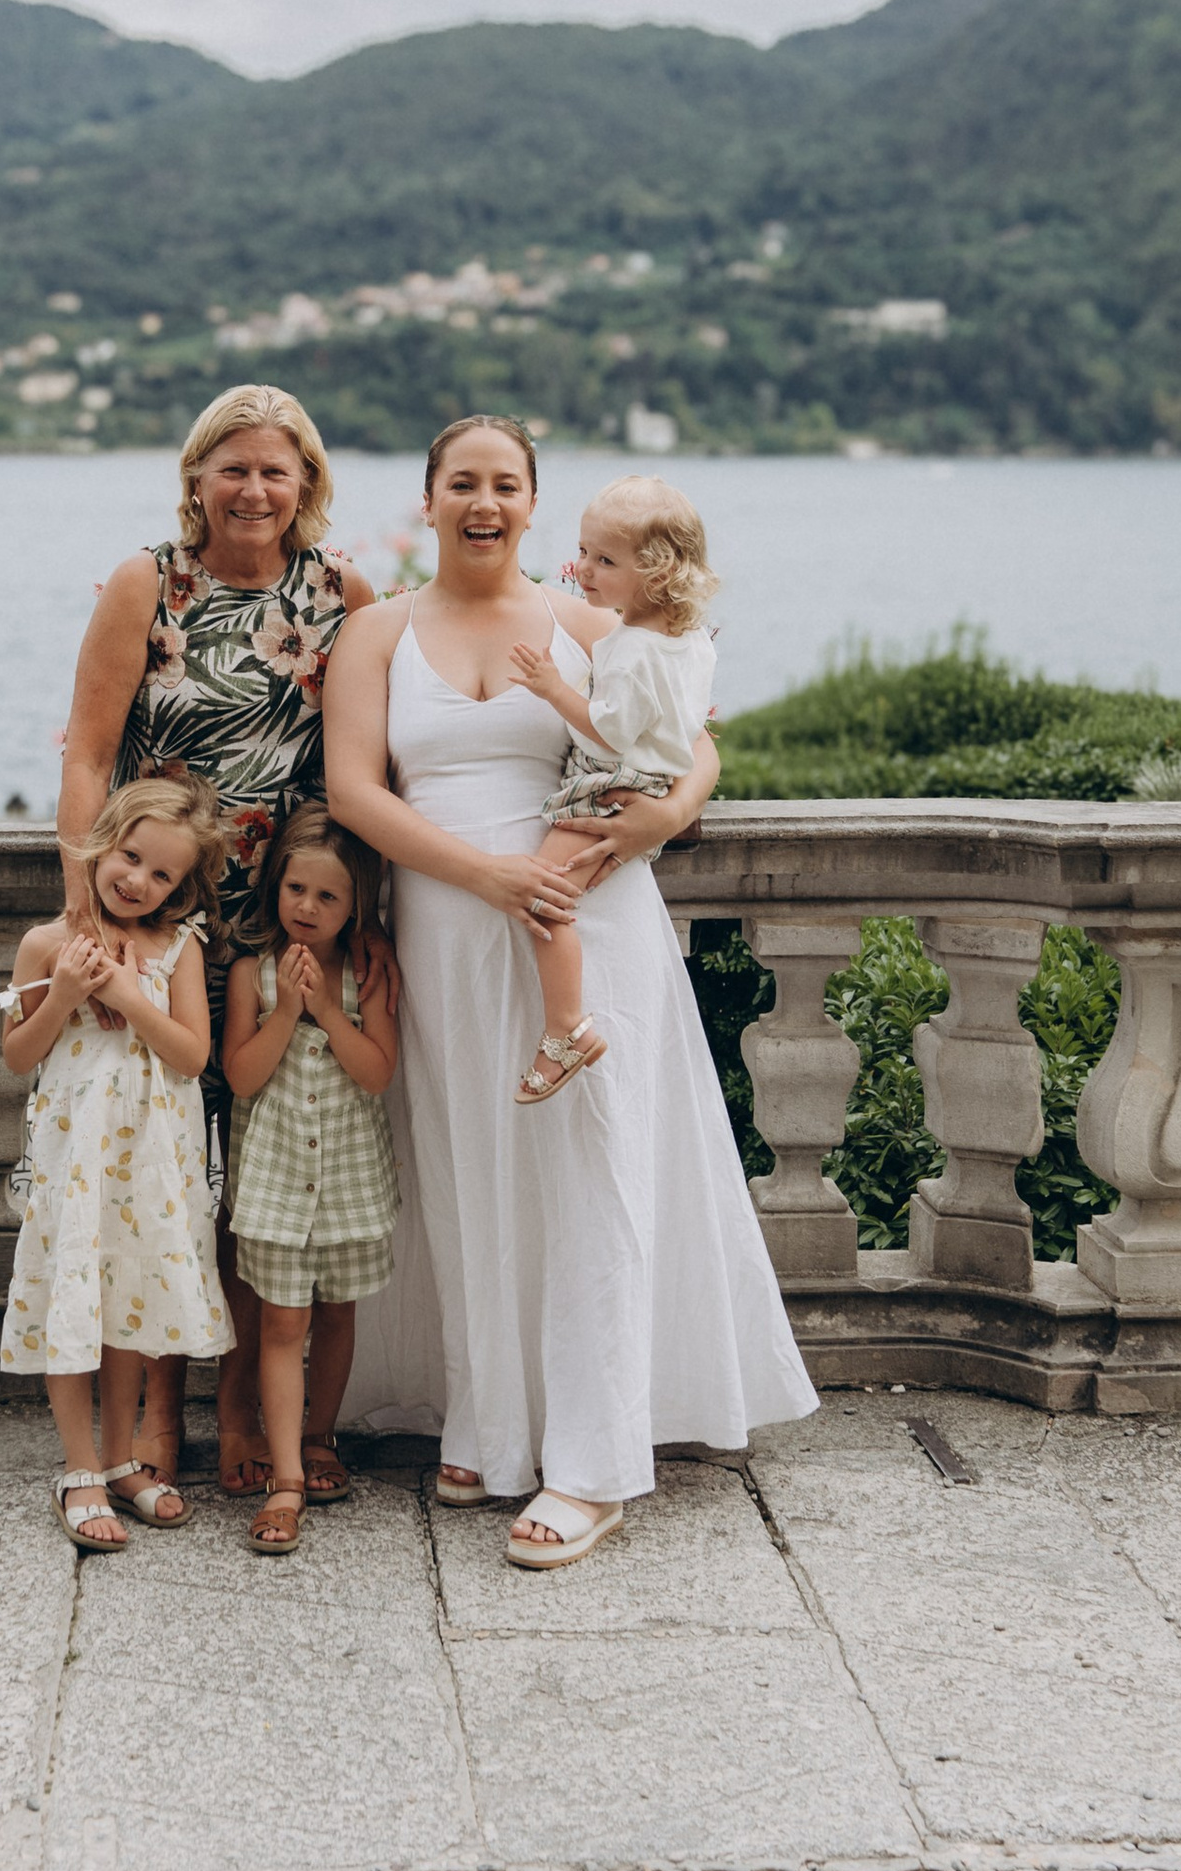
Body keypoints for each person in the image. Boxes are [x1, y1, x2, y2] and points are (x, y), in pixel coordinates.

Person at [326, 415, 816, 1571]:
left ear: (532, 505)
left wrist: (662, 814)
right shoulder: (376, 633)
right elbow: (354, 792)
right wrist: (485, 873)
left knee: (590, 1174)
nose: (482, 502)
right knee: (469, 1173)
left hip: (586, 927)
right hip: (448, 928)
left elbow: (688, 737)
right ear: (431, 498)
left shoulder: (587, 620)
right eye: (462, 483)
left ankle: (591, 1465)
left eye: (505, 484)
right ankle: (489, 1424)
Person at [56, 384, 383, 1492]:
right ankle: (157, 1405)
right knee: (160, 1168)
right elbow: (86, 755)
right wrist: (87, 912)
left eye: (275, 470)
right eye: (232, 467)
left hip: (289, 919)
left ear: (307, 485)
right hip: (164, 912)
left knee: (257, 1176)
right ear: (196, 478)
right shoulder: (147, 582)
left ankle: (249, 1401)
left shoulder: (344, 592)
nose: (253, 488)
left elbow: (383, 755)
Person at [0, 779, 231, 1550]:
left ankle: (124, 1453)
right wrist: (63, 994)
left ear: (183, 886)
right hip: (78, 1164)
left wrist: (131, 997)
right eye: (131, 858)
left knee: (129, 1303)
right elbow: (17, 1056)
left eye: (162, 875)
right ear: (104, 843)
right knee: (73, 1297)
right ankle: (80, 1468)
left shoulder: (179, 949)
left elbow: (194, 1056)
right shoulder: (45, 944)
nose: (138, 881)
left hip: (150, 1163)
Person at [219, 802, 401, 1557]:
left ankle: (321, 1437)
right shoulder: (250, 975)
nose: (308, 908)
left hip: (351, 1179)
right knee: (279, 1324)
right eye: (297, 890)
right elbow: (241, 1076)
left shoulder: (368, 974)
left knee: (336, 1316)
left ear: (356, 902)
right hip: (275, 1181)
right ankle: (286, 1478)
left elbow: (377, 1074)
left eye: (328, 897)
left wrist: (328, 1007)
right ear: (277, 888)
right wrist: (287, 1010)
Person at [506, 473, 719, 1107]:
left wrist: (552, 688)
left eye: (604, 559)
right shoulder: (689, 643)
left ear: (654, 573)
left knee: (543, 899)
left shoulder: (627, 647)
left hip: (608, 787)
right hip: (654, 785)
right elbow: (682, 732)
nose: (582, 568)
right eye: (582, 551)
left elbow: (612, 728)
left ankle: (565, 1029)